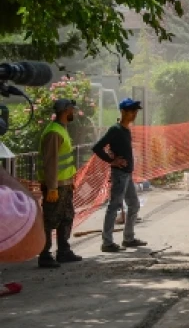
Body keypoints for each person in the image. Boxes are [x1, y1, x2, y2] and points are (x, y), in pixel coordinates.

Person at [92, 98, 147, 252]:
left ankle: (128, 238)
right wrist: (112, 160)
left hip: (127, 174)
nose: (134, 114)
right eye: (132, 111)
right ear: (123, 112)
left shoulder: (126, 130)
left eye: (135, 111)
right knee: (114, 206)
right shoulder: (115, 130)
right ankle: (107, 242)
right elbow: (97, 147)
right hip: (120, 175)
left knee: (134, 205)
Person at [37, 99, 82, 268]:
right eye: (72, 110)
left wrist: (69, 181)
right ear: (66, 111)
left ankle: (63, 251)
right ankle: (44, 254)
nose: (74, 113)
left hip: (64, 184)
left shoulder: (61, 129)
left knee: (67, 216)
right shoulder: (54, 132)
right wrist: (52, 187)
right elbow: (51, 162)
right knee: (50, 219)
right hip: (55, 186)